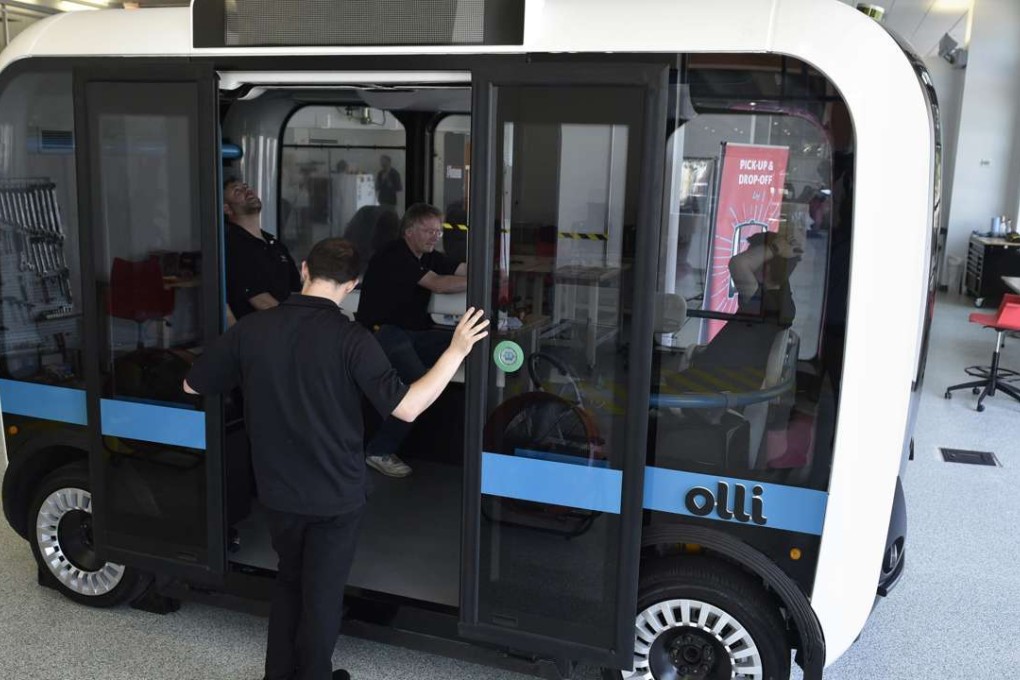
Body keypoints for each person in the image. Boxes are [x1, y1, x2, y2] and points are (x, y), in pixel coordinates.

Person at [182, 238, 488, 680]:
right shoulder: (352, 339)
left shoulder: (253, 329)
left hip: (277, 492)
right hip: (334, 496)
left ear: (304, 269)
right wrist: (456, 350)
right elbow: (406, 407)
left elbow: (193, 385)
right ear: (352, 284)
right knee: (322, 594)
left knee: (290, 580)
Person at [356, 203, 467, 477]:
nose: (434, 237)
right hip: (383, 333)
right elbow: (439, 284)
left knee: (468, 342)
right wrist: (483, 281)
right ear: (408, 231)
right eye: (428, 231)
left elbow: (460, 268)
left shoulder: (427, 255)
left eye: (438, 232)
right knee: (417, 385)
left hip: (413, 333)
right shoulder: (394, 255)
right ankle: (378, 450)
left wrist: (490, 266)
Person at [223, 176, 301, 323]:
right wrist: (294, 322)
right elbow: (260, 300)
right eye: (237, 191)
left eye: (246, 187)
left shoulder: (274, 244)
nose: (248, 191)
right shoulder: (232, 245)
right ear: (226, 208)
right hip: (262, 332)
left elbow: (295, 287)